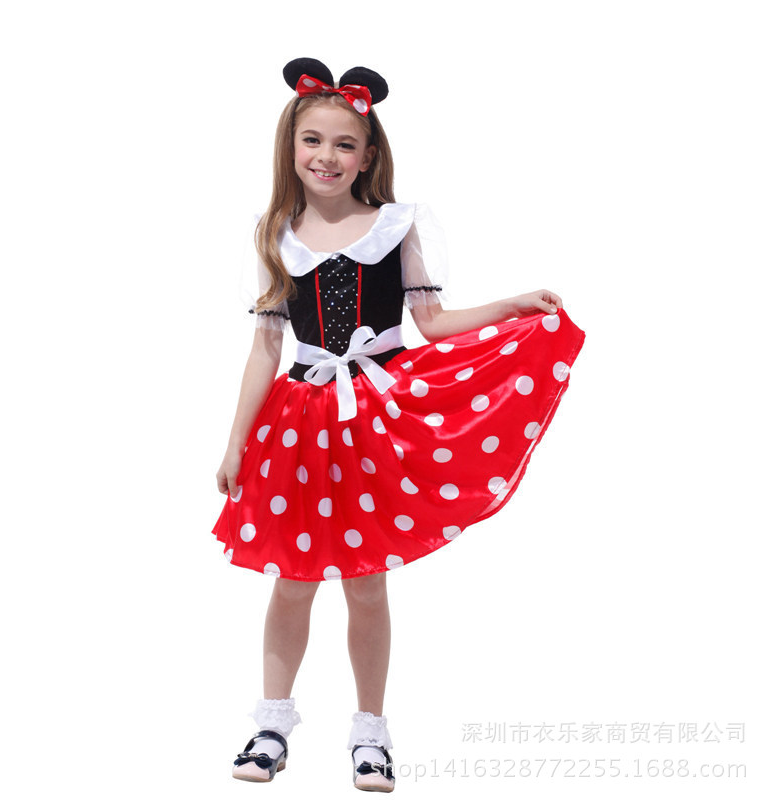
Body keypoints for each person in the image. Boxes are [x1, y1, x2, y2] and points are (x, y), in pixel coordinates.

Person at [213, 57, 585, 792]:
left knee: (365, 583)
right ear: (290, 146)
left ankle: (370, 731)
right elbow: (265, 348)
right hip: (301, 422)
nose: (326, 156)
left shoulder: (397, 225)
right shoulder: (274, 233)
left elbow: (432, 323)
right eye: (312, 140)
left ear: (368, 154)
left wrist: (510, 305)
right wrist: (235, 442)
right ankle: (272, 723)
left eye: (344, 144)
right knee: (292, 581)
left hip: (378, 417)